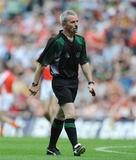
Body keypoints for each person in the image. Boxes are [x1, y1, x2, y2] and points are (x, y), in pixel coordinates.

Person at [29, 10, 96, 156]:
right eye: (72, 22)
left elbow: (84, 62)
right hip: (60, 82)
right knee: (70, 113)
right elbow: (41, 64)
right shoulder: (56, 42)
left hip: (74, 82)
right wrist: (35, 84)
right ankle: (76, 146)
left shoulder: (80, 41)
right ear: (64, 24)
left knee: (60, 115)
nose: (76, 24)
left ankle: (51, 147)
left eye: (77, 21)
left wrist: (90, 81)